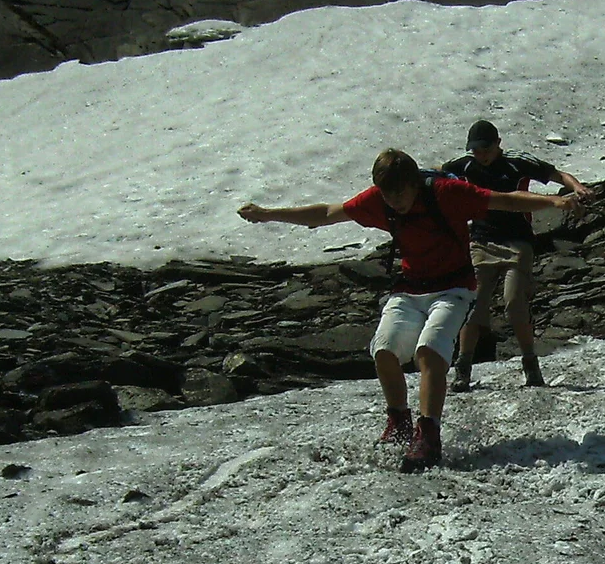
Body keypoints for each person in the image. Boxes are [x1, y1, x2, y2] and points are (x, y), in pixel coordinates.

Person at [238, 150, 578, 471]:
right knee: (384, 350)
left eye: (400, 194)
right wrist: (269, 214)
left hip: (454, 288)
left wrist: (554, 200)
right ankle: (399, 421)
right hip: (410, 287)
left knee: (429, 351)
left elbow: (502, 200)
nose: (395, 203)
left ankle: (428, 435)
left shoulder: (446, 192)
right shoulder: (379, 199)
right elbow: (327, 214)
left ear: (415, 183)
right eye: (388, 196)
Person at [441, 119, 591, 391]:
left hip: (518, 242)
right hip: (481, 242)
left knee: (514, 302)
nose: (481, 155)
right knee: (473, 305)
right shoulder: (463, 165)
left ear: (498, 144)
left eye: (485, 149)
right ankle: (463, 368)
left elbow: (557, 174)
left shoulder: (517, 162)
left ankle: (530, 364)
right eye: (476, 150)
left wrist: (576, 187)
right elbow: (437, 175)